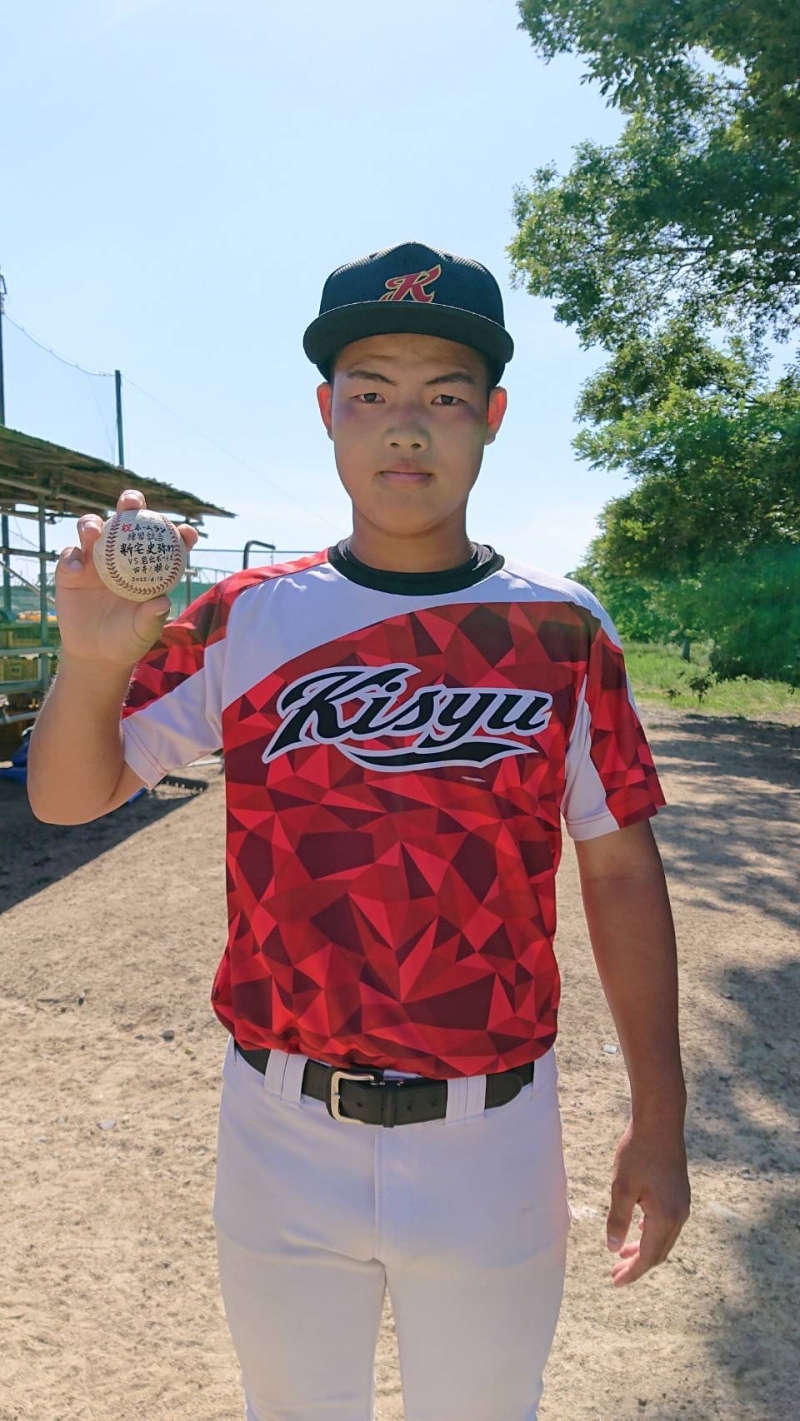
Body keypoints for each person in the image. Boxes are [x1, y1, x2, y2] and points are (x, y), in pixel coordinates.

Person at [29, 241, 691, 1421]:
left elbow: (619, 869)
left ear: (491, 418)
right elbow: (68, 797)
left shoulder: (559, 628)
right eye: (370, 392)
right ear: (326, 412)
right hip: (281, 1122)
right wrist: (89, 663)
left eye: (444, 395)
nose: (406, 426)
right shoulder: (246, 616)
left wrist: (659, 1113)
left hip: (492, 1130)